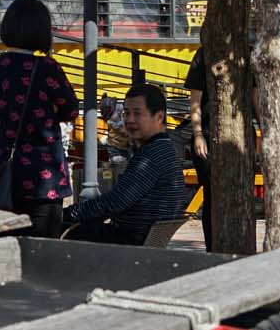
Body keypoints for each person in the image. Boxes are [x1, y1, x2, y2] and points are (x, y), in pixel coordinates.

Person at [0, 0, 74, 235]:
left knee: (7, 247)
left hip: (3, 171)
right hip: (44, 175)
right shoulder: (46, 67)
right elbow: (70, 109)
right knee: (43, 251)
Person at [60, 83, 190, 246]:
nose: (129, 120)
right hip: (136, 238)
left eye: (137, 114)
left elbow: (114, 203)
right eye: (126, 113)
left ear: (159, 117)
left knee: (55, 228)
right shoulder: (164, 149)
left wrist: (67, 214)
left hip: (127, 243)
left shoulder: (152, 156)